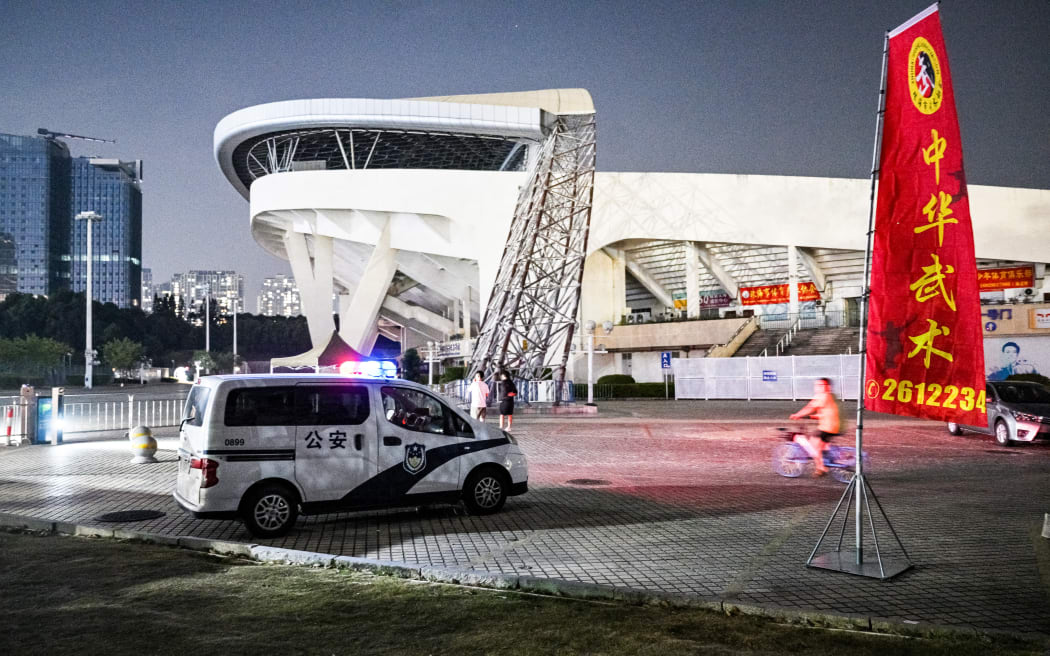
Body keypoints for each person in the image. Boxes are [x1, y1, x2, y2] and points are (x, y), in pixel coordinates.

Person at [789, 377, 840, 476]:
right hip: (834, 426)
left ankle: (821, 467)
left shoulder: (822, 396)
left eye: (820, 385)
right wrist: (810, 417)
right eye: (816, 385)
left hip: (827, 428)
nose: (817, 387)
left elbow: (810, 407)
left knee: (813, 446)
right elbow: (826, 413)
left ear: (828, 387)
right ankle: (820, 467)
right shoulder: (831, 397)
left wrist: (798, 414)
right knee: (820, 446)